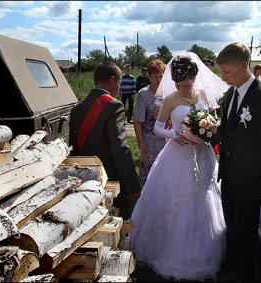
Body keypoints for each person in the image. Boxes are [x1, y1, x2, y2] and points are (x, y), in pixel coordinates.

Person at [130, 52, 229, 282]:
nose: (182, 89)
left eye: (186, 84)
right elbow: (156, 128)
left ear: (195, 77)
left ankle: (203, 253)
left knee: (204, 199)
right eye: (178, 84)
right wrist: (174, 134)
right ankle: (172, 253)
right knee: (177, 200)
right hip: (178, 155)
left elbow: (213, 122)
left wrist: (209, 130)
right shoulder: (171, 99)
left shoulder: (204, 95)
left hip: (202, 154)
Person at [215, 42, 261, 282]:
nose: (223, 77)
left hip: (251, 176)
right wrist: (200, 134)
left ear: (243, 66)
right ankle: (230, 265)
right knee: (232, 227)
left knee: (247, 231)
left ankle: (244, 273)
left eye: (227, 72)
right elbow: (227, 131)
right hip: (229, 174)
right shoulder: (232, 93)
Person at [69, 61, 141, 220]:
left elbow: (73, 149)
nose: (119, 88)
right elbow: (119, 147)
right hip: (111, 179)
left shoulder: (76, 109)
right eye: (119, 83)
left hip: (85, 178)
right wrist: (132, 182)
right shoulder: (114, 106)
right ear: (112, 80)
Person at [133, 59, 167, 188]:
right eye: (155, 76)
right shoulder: (143, 94)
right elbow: (138, 120)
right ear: (149, 76)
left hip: (166, 138)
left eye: (161, 76)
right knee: (150, 169)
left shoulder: (168, 92)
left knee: (165, 168)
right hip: (149, 139)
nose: (158, 79)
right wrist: (140, 140)